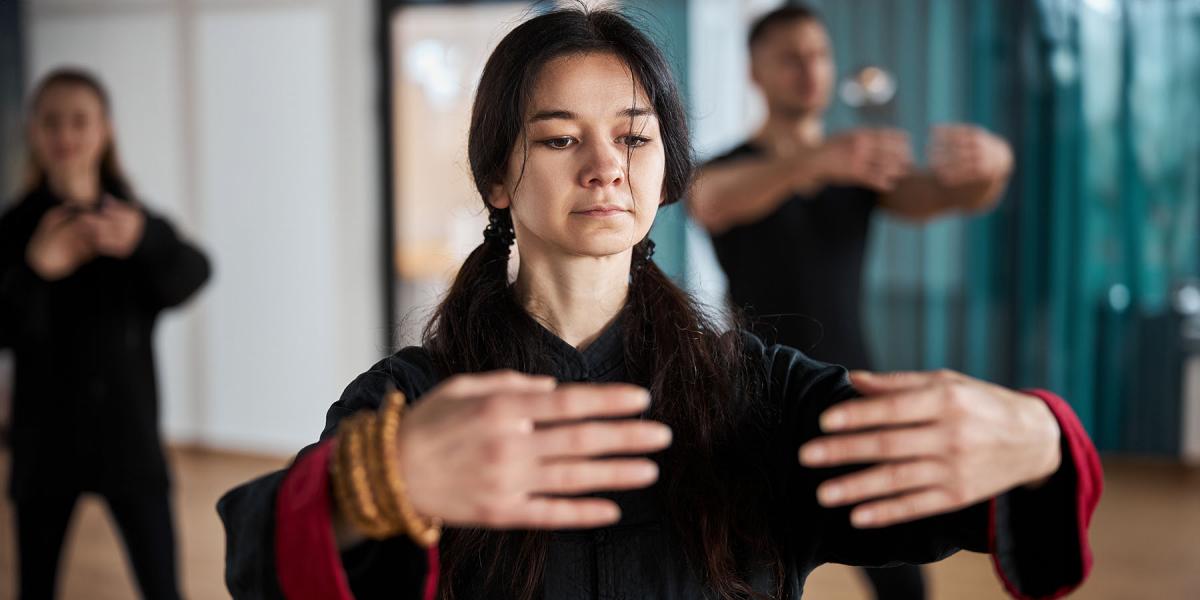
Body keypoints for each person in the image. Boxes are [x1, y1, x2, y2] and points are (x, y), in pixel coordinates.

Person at [218, 8, 1099, 600]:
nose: (604, 165)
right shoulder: (417, 400)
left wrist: (1038, 440)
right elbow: (263, 550)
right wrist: (381, 483)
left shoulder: (756, 395)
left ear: (663, 170)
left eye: (633, 137)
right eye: (559, 137)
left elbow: (948, 484)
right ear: (497, 179)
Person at [689, 7, 1015, 597]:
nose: (808, 69)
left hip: (851, 395)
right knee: (748, 581)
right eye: (789, 56)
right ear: (754, 72)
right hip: (754, 404)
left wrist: (993, 168)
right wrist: (812, 161)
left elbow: (941, 194)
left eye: (817, 55)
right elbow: (709, 203)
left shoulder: (857, 171)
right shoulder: (729, 168)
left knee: (903, 586)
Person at [0, 69, 210, 599]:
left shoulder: (131, 221)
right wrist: (35, 271)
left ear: (104, 130)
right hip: (43, 444)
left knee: (163, 587)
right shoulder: (13, 228)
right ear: (34, 132)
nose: (65, 135)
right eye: (51, 122)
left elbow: (193, 273)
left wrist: (144, 239)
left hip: (129, 437)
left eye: (79, 121)